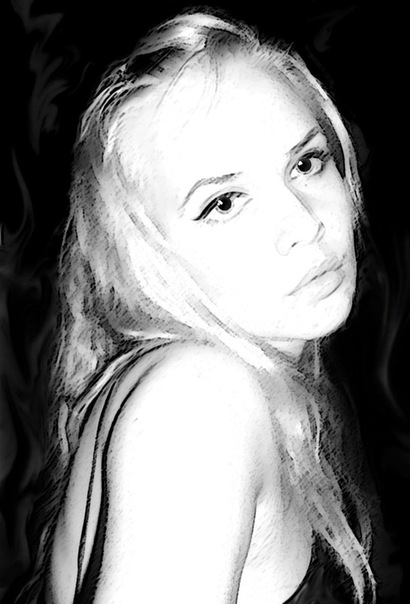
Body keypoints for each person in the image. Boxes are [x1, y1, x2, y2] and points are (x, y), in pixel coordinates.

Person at [15, 6, 381, 603]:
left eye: (305, 163)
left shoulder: (228, 385)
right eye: (224, 202)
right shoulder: (199, 401)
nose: (303, 223)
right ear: (141, 255)